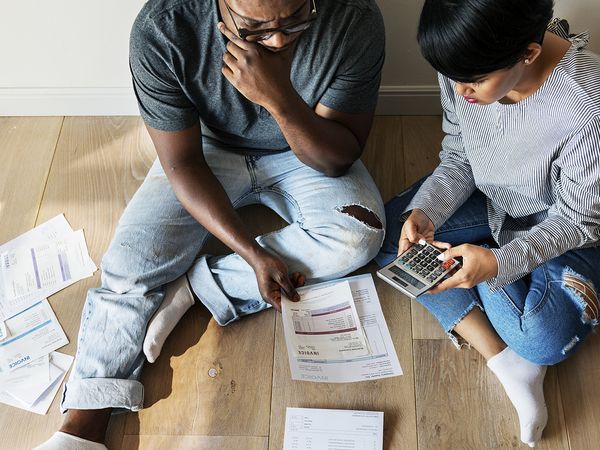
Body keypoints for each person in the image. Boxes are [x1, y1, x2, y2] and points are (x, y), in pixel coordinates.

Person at [34, 0, 386, 448]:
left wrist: (279, 97)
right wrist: (252, 253)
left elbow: (336, 159)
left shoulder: (353, 16)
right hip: (206, 152)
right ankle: (86, 416)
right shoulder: (163, 29)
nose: (278, 39)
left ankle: (197, 288)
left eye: (296, 18)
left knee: (361, 235)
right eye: (257, 28)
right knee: (128, 265)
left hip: (308, 146)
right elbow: (181, 163)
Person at [376, 0, 600, 447]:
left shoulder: (587, 104)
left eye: (474, 81)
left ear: (529, 54)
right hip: (493, 200)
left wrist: (497, 265)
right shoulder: (464, 62)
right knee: (384, 235)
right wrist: (427, 213)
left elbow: (579, 220)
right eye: (453, 77)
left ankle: (495, 295)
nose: (461, 92)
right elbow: (459, 156)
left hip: (567, 226)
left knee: (543, 339)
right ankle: (504, 361)